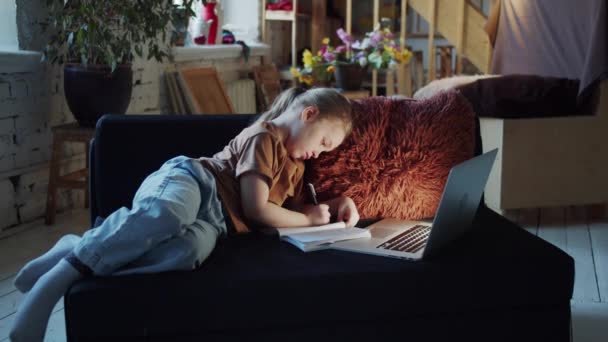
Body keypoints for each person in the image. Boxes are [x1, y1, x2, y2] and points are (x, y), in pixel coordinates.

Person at [10, 87, 359, 341]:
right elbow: (257, 210)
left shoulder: (297, 167)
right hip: (194, 180)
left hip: (216, 224)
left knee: (187, 253)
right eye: (324, 142)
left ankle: (80, 245)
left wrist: (334, 205)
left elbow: (298, 211)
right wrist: (309, 219)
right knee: (167, 217)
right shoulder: (265, 139)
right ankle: (59, 277)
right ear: (308, 114)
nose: (320, 153)